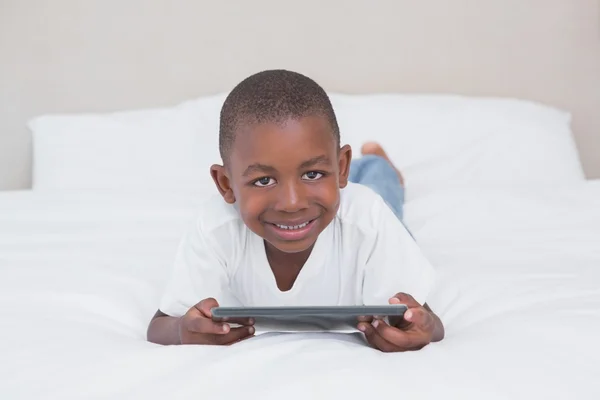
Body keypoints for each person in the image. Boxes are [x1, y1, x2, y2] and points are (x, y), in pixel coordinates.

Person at [147, 70, 444, 352]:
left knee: (382, 194)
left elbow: (432, 324)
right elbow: (160, 325)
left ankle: (378, 164)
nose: (292, 203)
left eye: (313, 174)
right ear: (226, 184)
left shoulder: (369, 218)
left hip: (367, 210)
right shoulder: (214, 228)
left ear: (342, 168)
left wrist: (420, 329)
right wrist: (182, 331)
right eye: (263, 180)